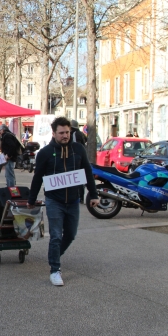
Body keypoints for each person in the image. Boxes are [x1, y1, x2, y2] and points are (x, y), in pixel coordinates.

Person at [27, 117, 100, 286]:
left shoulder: (78, 149)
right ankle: (55, 270)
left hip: (73, 201)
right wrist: (31, 199)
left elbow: (88, 173)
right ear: (53, 133)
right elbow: (38, 177)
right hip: (54, 200)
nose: (65, 136)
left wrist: (94, 194)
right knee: (56, 236)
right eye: (61, 133)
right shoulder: (45, 153)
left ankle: (54, 256)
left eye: (67, 132)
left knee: (71, 234)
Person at [70, 120, 87, 203]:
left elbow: (75, 146)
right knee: (80, 178)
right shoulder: (80, 133)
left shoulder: (74, 134)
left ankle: (80, 197)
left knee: (77, 178)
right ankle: (81, 196)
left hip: (77, 158)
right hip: (81, 157)